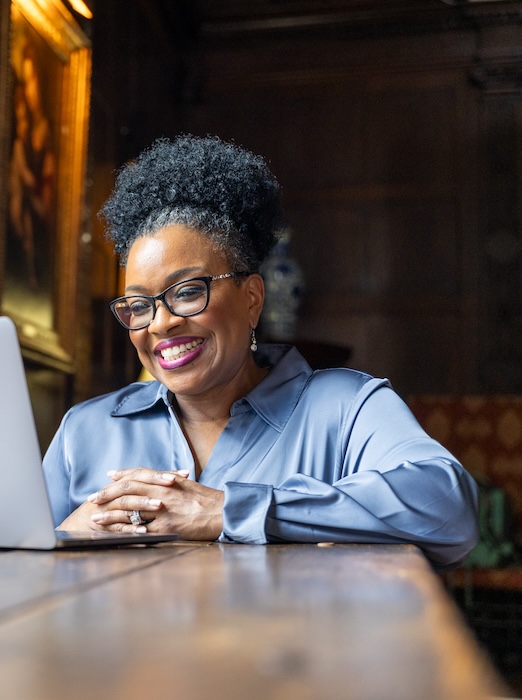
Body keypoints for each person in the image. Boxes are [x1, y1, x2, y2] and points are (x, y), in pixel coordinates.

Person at [42, 135, 479, 568]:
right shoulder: (85, 431)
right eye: (139, 305)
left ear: (252, 298)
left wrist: (223, 510)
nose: (161, 323)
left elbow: (447, 507)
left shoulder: (345, 408)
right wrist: (66, 536)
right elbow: (12, 571)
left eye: (189, 292)